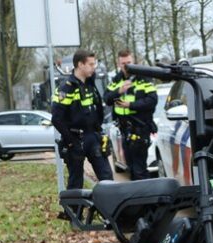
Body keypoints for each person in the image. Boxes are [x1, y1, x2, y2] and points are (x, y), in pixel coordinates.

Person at [51, 49, 113, 193]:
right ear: (80, 64)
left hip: (93, 136)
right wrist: (71, 141)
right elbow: (57, 119)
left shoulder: (90, 84)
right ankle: (73, 208)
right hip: (75, 139)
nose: (94, 67)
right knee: (76, 182)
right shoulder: (66, 88)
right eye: (90, 64)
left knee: (107, 178)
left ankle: (110, 207)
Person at [104, 49, 158, 180]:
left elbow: (152, 100)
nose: (126, 66)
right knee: (131, 168)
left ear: (133, 62)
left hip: (140, 128)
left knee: (139, 169)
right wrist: (119, 91)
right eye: (123, 63)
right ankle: (138, 192)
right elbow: (107, 99)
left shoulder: (143, 78)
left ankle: (145, 192)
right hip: (124, 129)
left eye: (128, 62)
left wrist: (130, 105)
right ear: (118, 64)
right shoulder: (116, 80)